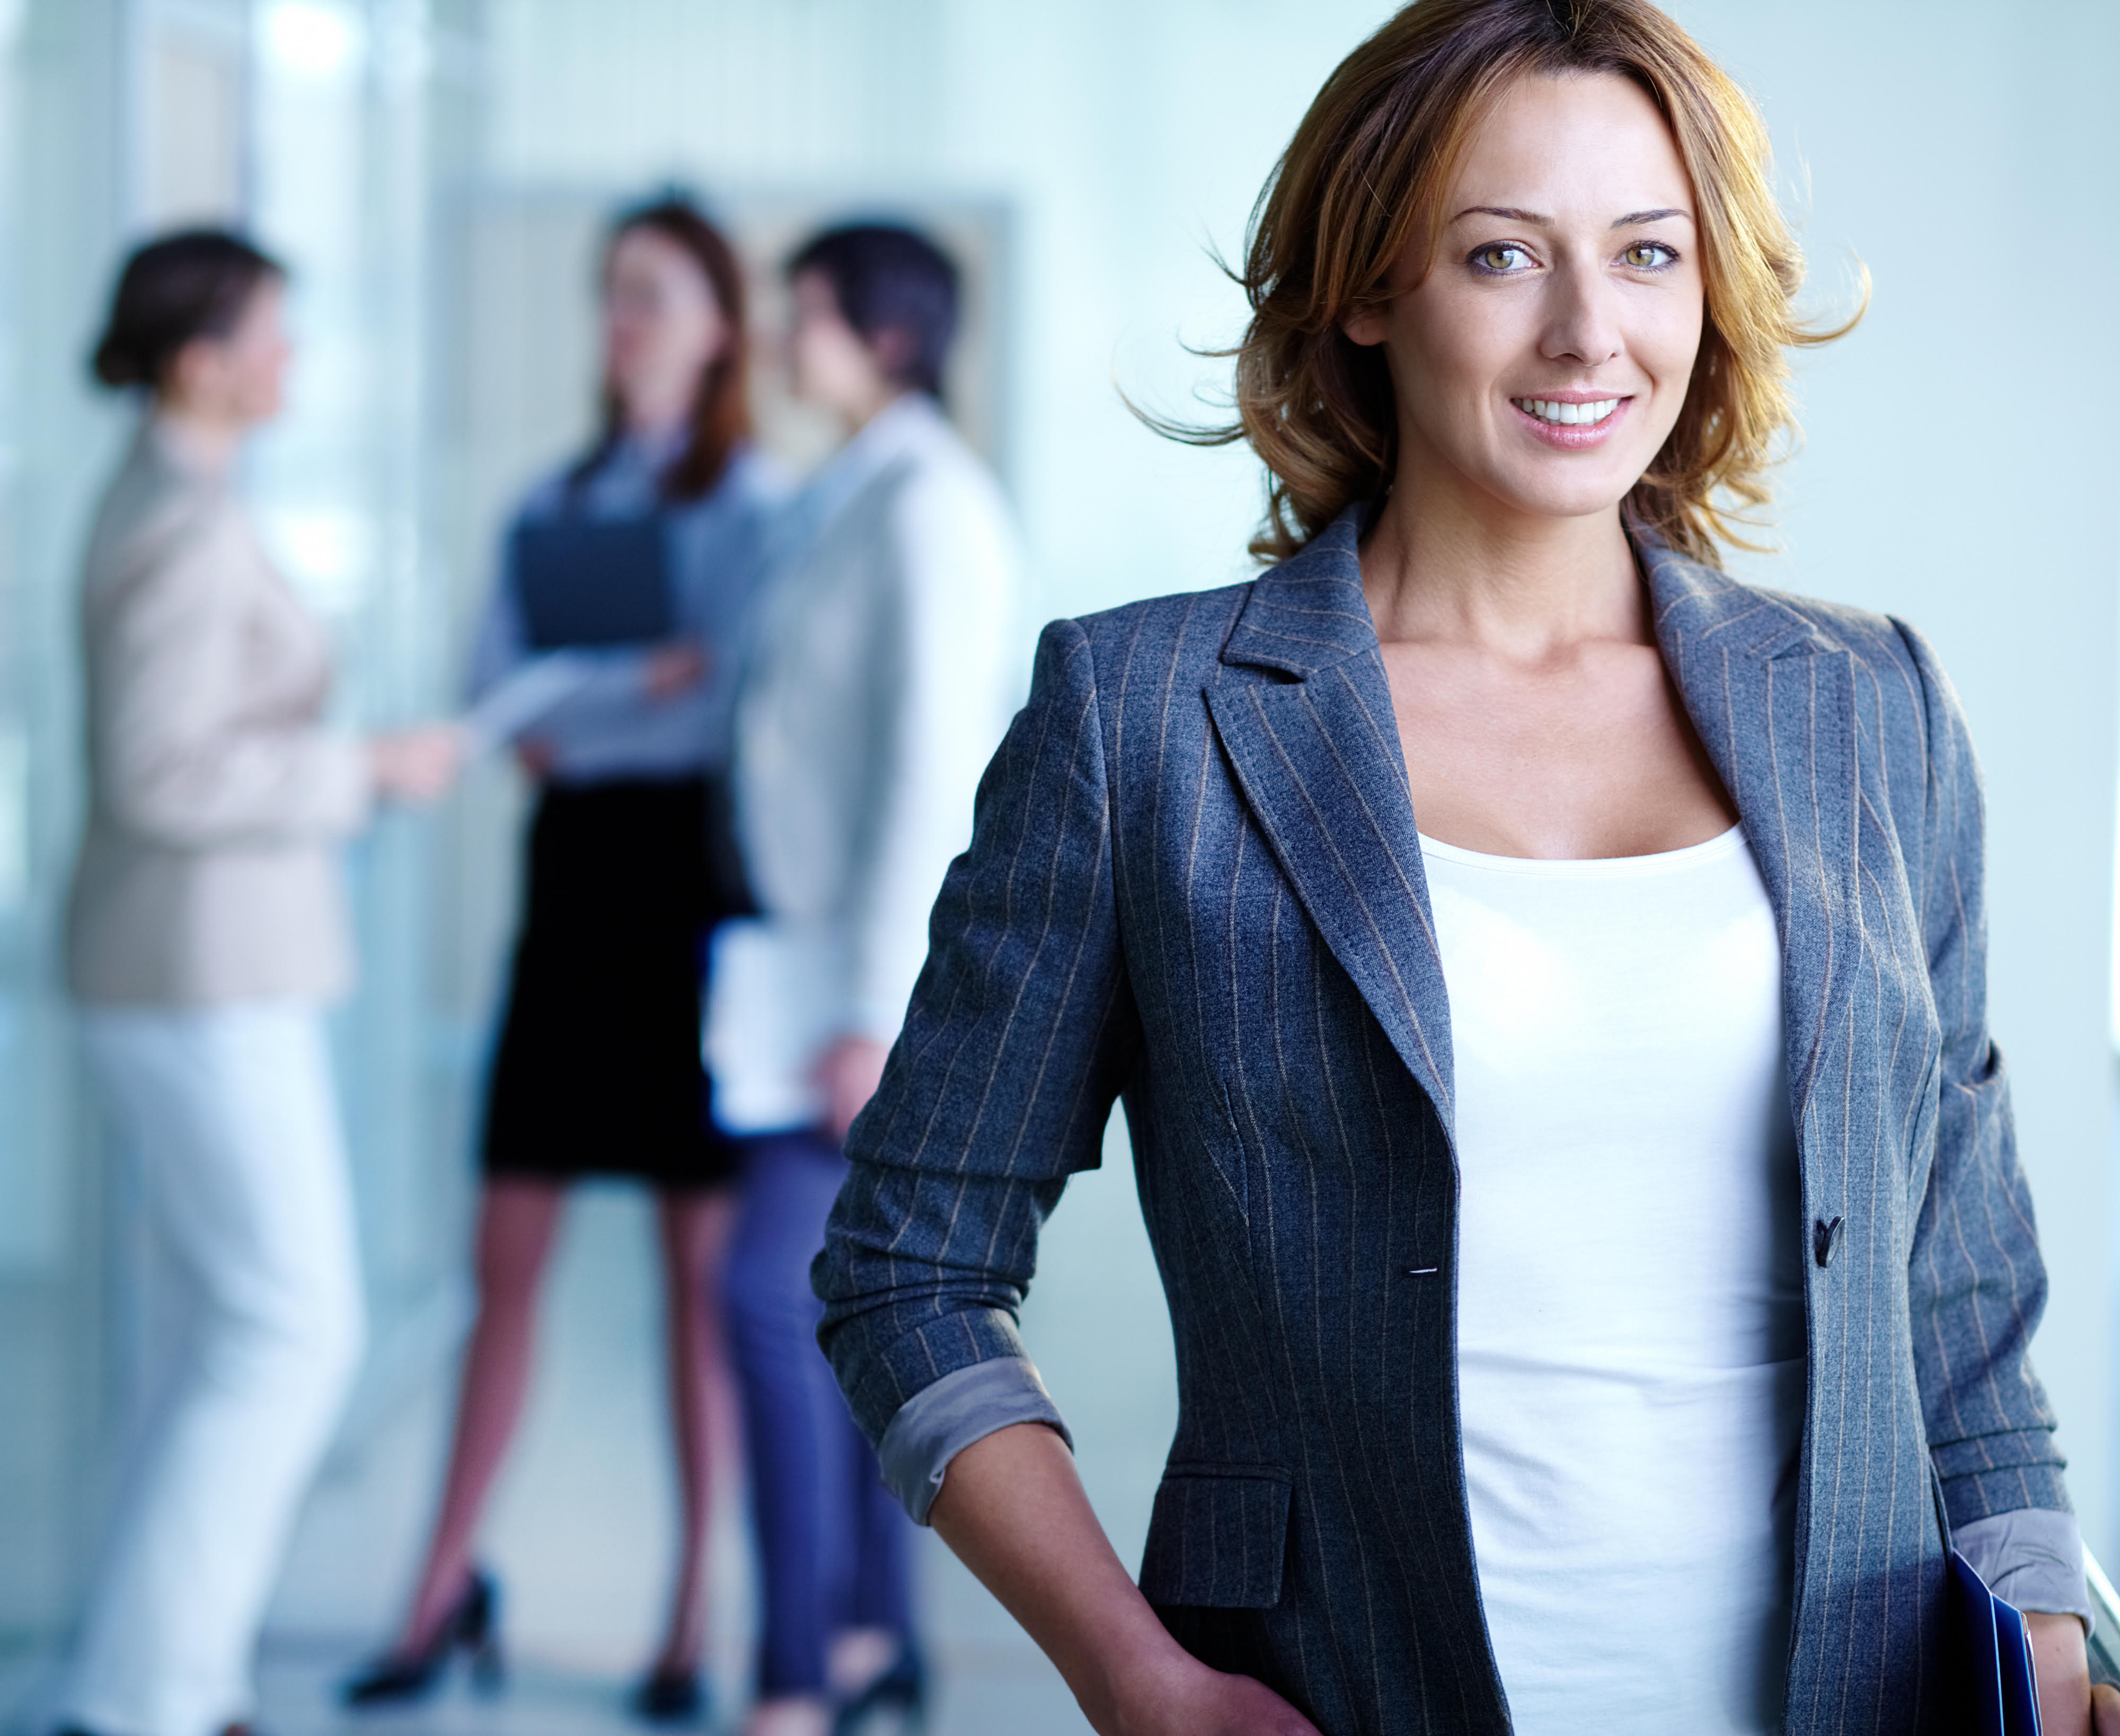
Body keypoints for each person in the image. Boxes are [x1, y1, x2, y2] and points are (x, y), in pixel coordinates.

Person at [810, 3, 2120, 1734]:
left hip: (1860, 1695)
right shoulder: (1146, 720)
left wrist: (2045, 1612)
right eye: (1503, 254)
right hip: (1351, 1686)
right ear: (1367, 288)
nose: (1591, 332)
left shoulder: (1870, 704)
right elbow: (908, 1265)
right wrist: (1133, 1675)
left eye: (1650, 253)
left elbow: (1954, 1275)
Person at [342, 198, 785, 1723]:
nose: (625, 324)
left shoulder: (758, 505)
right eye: (612, 296)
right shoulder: (555, 498)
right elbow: (494, 711)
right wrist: (624, 682)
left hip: (688, 896)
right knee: (503, 1254)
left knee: (695, 1275)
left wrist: (593, 692)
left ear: (722, 323)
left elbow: (722, 702)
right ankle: (436, 1581)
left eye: (655, 296)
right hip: (573, 890)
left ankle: (686, 1615)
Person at [56, 229, 461, 1736]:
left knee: (213, 1327)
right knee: (297, 1323)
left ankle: (144, 1678)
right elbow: (160, 767)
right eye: (273, 333)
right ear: (198, 356)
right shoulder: (174, 516)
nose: (293, 359)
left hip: (193, 963)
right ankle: (155, 1699)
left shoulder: (183, 496)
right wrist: (357, 769)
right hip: (197, 969)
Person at [704, 222, 1024, 1736]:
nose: (780, 342)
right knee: (824, 1306)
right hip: (797, 968)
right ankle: (869, 1635)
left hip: (862, 987)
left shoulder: (929, 510)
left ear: (888, 335)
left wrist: (872, 1013)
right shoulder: (848, 491)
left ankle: (793, 1666)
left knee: (767, 1297)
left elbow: (929, 777)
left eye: (807, 317)